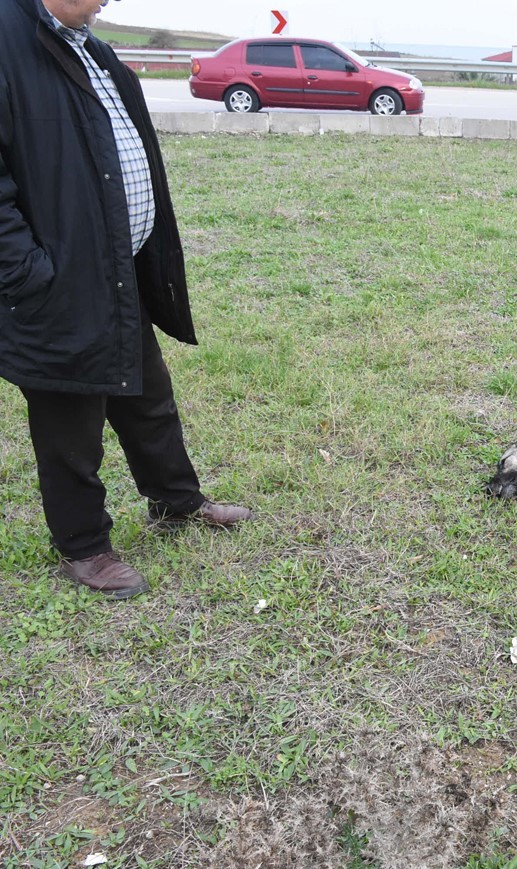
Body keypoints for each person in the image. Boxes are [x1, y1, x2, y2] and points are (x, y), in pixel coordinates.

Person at [0, 0, 251, 600]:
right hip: (56, 280)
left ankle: (176, 502)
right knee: (69, 421)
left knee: (147, 398)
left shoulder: (91, 46)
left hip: (114, 268)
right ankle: (84, 546)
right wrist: (28, 269)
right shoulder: (10, 40)